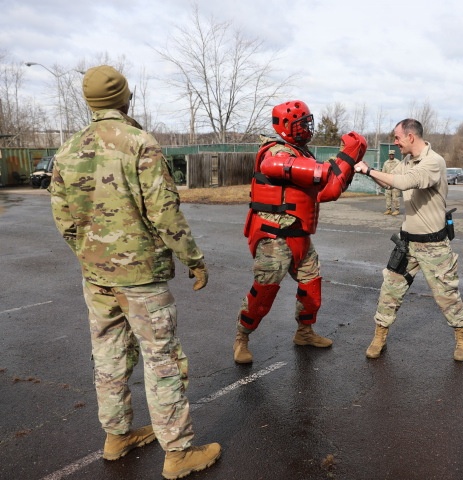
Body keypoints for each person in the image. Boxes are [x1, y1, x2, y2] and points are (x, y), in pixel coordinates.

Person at [48, 65, 220, 479]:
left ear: (91, 103)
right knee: (162, 360)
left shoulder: (69, 149)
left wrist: (90, 254)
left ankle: (116, 436)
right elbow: (163, 212)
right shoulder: (140, 143)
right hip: (140, 278)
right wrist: (193, 259)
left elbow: (63, 216)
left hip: (97, 275)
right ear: (125, 98)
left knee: (108, 357)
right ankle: (177, 454)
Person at [234, 100, 367, 364]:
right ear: (286, 126)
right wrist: (337, 161)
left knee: (311, 287)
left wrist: (348, 162)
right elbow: (275, 168)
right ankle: (241, 338)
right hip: (274, 236)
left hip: (300, 236)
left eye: (308, 122)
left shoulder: (302, 153)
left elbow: (328, 190)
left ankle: (304, 332)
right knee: (264, 291)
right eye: (301, 124)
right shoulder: (275, 151)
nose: (307, 128)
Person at [354, 119, 463, 362]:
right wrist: (369, 171)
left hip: (434, 245)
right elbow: (391, 183)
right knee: (389, 292)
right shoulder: (407, 162)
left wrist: (367, 170)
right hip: (407, 244)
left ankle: (462, 338)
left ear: (410, 136)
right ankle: (379, 337)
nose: (395, 143)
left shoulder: (433, 162)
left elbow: (406, 182)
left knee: (447, 296)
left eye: (397, 138)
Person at [381, 149, 401, 215]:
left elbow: (400, 171)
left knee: (395, 196)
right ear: (389, 155)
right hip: (387, 182)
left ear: (394, 155)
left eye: (392, 154)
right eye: (390, 154)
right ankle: (388, 209)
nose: (391, 155)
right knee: (388, 196)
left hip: (395, 181)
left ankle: (397, 209)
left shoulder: (398, 162)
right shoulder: (386, 163)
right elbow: (383, 172)